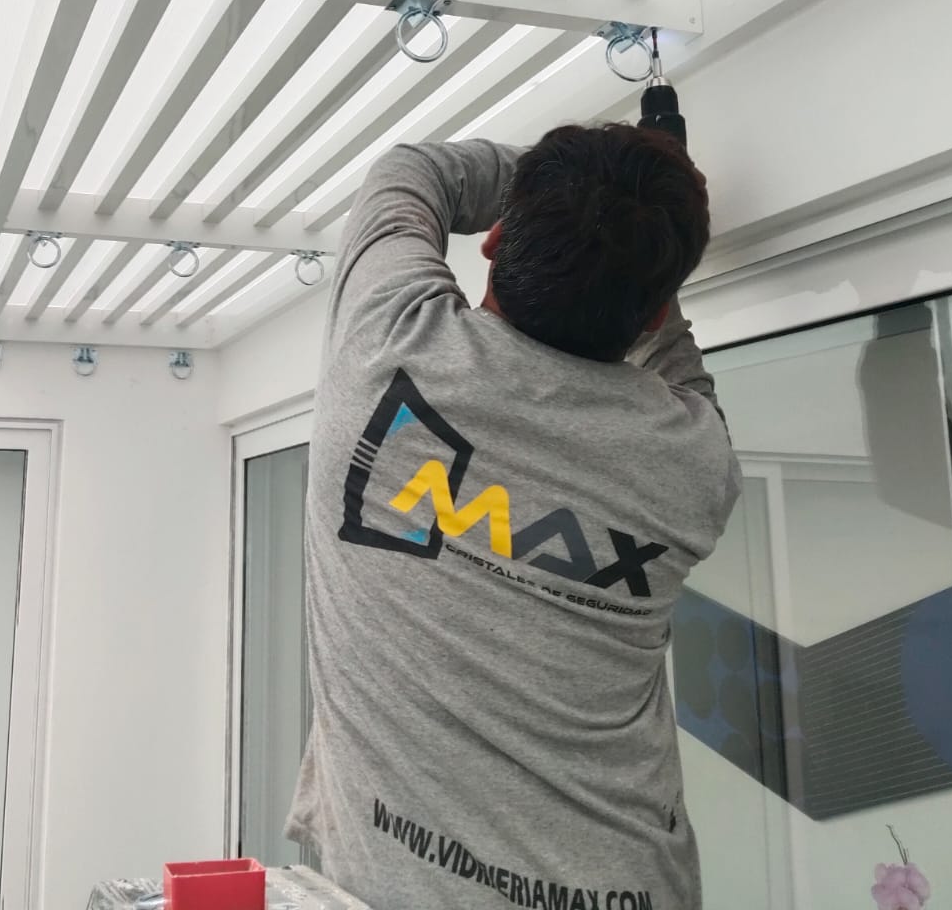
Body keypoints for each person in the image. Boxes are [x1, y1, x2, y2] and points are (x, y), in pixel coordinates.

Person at [286, 124, 740, 910]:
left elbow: (414, 171)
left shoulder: (387, 347)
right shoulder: (693, 465)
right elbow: (671, 355)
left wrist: (570, 192)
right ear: (655, 312)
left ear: (494, 240)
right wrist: (638, 230)